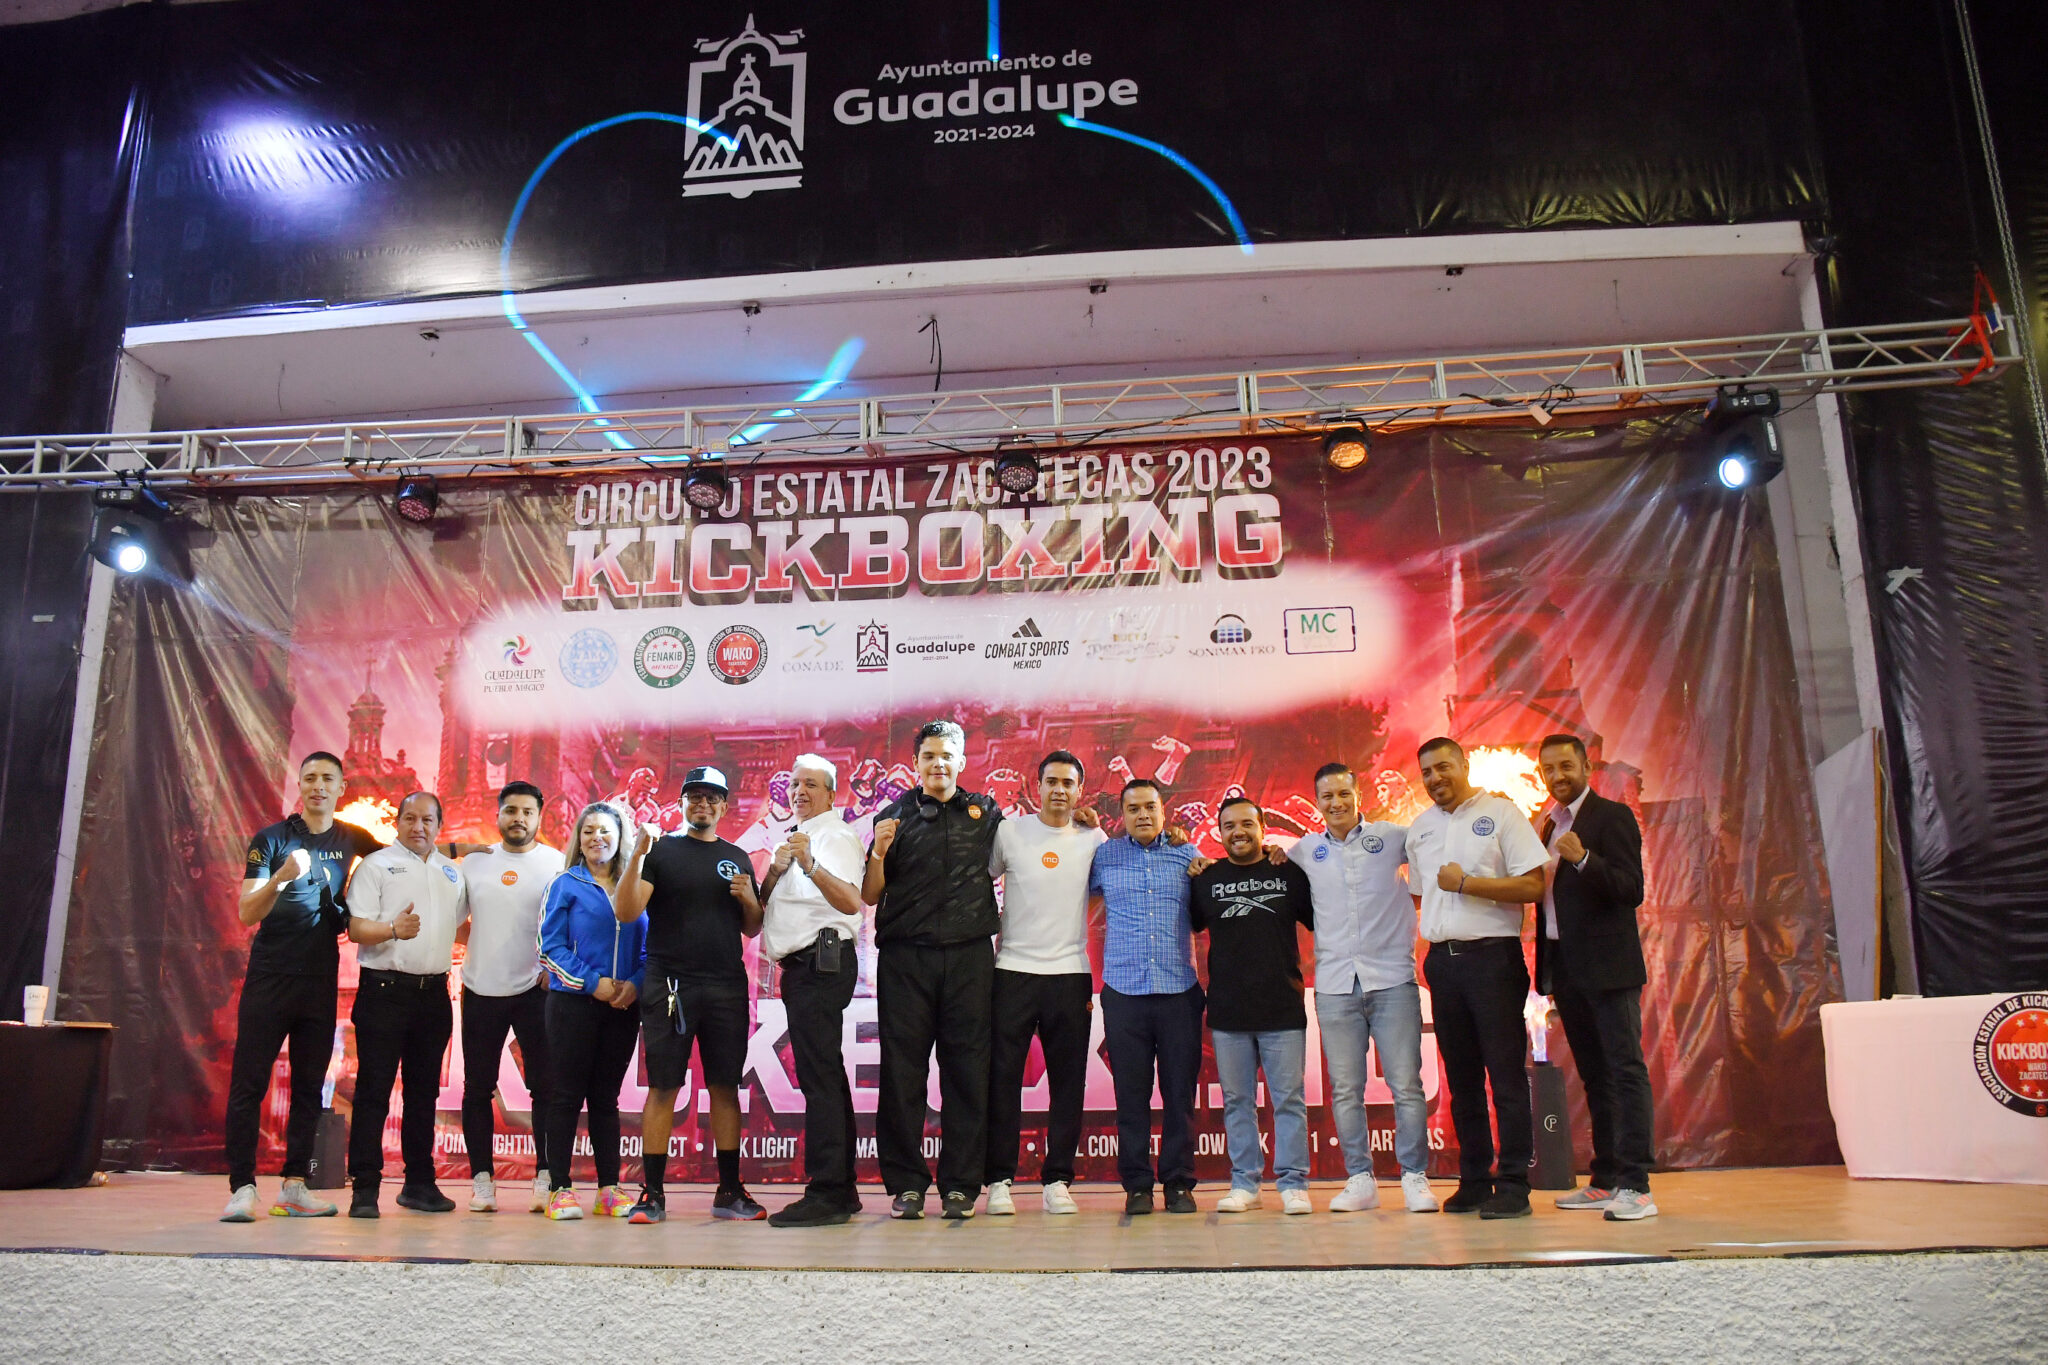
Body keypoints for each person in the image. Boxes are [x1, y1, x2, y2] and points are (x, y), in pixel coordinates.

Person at [222, 751, 383, 1223]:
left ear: (341, 788)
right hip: (270, 977)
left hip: (318, 980)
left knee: (311, 1087)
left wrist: (465, 850)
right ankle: (242, 1188)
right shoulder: (271, 839)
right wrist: (280, 878)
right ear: (300, 784)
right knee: (249, 1083)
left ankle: (295, 1186)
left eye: (327, 779)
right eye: (310, 778)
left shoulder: (352, 837)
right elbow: (246, 912)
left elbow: (405, 858)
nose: (318, 786)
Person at [862, 719, 1003, 1221]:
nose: (938, 763)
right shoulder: (892, 816)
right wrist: (879, 851)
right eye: (929, 756)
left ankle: (961, 1186)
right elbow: (870, 894)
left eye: (947, 755)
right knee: (903, 1073)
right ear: (916, 763)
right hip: (906, 959)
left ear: (961, 762)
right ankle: (906, 1185)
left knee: (968, 1072)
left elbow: (1029, 848)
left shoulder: (986, 812)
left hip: (969, 957)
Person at [613, 765, 767, 1224]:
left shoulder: (737, 856)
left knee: (725, 1086)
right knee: (663, 1087)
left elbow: (753, 926)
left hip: (725, 985)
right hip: (670, 984)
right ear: (681, 803)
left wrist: (749, 898)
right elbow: (626, 911)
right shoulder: (660, 851)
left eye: (711, 797)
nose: (702, 803)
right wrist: (637, 855)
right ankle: (652, 1193)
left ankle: (730, 1191)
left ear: (724, 806)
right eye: (694, 796)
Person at [1404, 737, 1548, 1219]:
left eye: (1443, 766)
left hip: (1492, 959)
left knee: (1505, 1076)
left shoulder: (1501, 813)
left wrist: (1467, 883)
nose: (1435, 778)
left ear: (1464, 765)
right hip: (1442, 963)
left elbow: (1533, 884)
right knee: (1461, 1079)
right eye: (1427, 772)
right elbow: (1422, 895)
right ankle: (1474, 1179)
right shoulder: (1420, 829)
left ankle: (1514, 1183)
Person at [1288, 762, 1440, 1214]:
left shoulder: (1392, 838)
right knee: (1345, 1090)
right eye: (1327, 796)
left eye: (1343, 794)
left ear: (1358, 796)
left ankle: (1414, 1177)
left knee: (1406, 1085)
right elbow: (1265, 864)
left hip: (1393, 980)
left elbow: (1434, 845)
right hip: (1335, 987)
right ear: (1318, 802)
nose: (1336, 803)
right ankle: (1360, 1179)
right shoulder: (1306, 850)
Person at [1534, 733, 1656, 1221]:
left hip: (1609, 968)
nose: (1558, 776)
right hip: (1567, 968)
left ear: (1586, 767)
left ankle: (1637, 1186)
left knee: (1625, 1070)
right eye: (1549, 768)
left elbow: (1631, 888)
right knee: (1596, 1076)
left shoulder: (1611, 817)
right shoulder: (1547, 825)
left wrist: (1584, 859)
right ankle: (1605, 1179)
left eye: (1566, 766)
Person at [984, 749, 1106, 1217]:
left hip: (1070, 975)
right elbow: (983, 879)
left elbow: (1106, 885)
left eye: (1068, 783)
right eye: (1051, 781)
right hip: (1012, 971)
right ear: (1036, 787)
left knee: (1068, 1083)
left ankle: (1057, 1180)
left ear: (1080, 790)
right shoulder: (1009, 832)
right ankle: (999, 1180)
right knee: (1003, 1081)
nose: (1059, 790)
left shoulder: (1094, 838)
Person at [343, 791, 468, 1218]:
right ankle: (364, 1189)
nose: (418, 827)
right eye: (410, 818)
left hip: (433, 996)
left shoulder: (451, 872)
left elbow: (458, 926)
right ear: (397, 822)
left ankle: (419, 1184)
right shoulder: (375, 866)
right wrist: (393, 929)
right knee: (373, 1092)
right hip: (383, 992)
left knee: (423, 1095)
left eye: (427, 820)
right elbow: (356, 928)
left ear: (439, 825)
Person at [758, 755, 869, 1228]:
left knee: (819, 1078)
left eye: (810, 784)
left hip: (820, 964)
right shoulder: (796, 838)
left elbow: (851, 901)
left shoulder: (832, 836)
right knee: (826, 1076)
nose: (799, 792)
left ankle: (826, 1192)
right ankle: (841, 1189)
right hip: (804, 968)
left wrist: (810, 863)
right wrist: (777, 870)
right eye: (794, 784)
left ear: (830, 794)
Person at [1191, 797, 1317, 1214]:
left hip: (1282, 1007)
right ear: (1219, 832)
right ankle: (1245, 1183)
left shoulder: (1288, 872)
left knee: (1289, 1100)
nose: (1238, 832)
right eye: (1229, 825)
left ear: (1263, 828)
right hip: (1228, 1011)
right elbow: (1191, 922)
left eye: (1247, 823)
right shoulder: (1206, 878)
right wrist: (1194, 864)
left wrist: (1289, 855)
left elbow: (1317, 917)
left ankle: (1293, 1183)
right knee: (1237, 1101)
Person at [1090, 777, 1203, 1215]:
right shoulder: (1104, 856)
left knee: (1179, 1095)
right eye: (1133, 808)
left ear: (1162, 811)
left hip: (1179, 992)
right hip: (1124, 992)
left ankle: (1178, 1182)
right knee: (1131, 1096)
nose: (1142, 815)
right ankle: (1137, 1185)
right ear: (1122, 815)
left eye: (1150, 807)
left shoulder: (1186, 854)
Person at [455, 781, 563, 1215]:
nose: (519, 818)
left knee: (546, 1088)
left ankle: (546, 1178)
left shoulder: (557, 862)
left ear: (539, 817)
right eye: (511, 810)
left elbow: (567, 923)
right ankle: (482, 1181)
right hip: (480, 987)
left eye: (527, 812)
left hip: (536, 988)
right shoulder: (475, 862)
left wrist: (552, 968)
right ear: (498, 814)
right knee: (477, 1088)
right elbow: (456, 922)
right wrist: (486, 946)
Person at [536, 802, 646, 1221]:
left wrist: (635, 984)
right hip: (572, 1005)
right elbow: (549, 947)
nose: (596, 837)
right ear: (578, 840)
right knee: (566, 1096)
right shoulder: (564, 884)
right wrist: (591, 982)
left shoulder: (638, 886)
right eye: (588, 831)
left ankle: (608, 1190)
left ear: (621, 838)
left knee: (605, 1099)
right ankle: (559, 1189)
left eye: (605, 830)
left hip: (623, 1007)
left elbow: (651, 946)